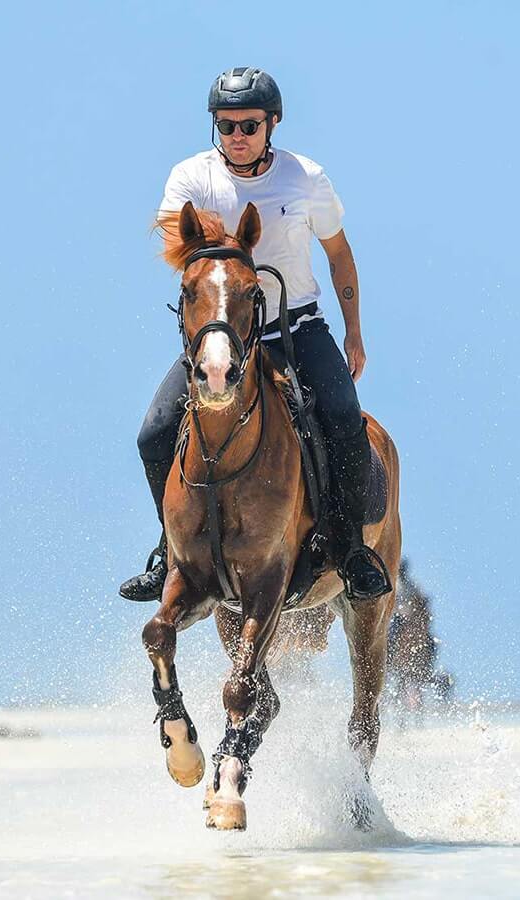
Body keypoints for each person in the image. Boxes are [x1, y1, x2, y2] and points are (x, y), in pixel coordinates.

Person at [120, 66, 390, 603]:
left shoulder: (306, 178)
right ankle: (169, 550)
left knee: (341, 415)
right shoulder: (190, 178)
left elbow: (339, 255)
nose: (237, 137)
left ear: (272, 124)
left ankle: (352, 549)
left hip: (297, 327)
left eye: (249, 125)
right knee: (153, 432)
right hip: (222, 336)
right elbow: (181, 249)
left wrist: (354, 334)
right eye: (226, 126)